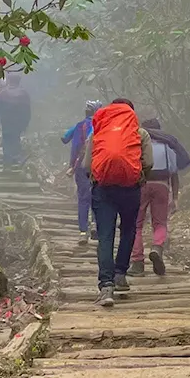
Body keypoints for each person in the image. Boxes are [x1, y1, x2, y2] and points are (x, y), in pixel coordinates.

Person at [80, 98, 153, 307]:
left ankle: (106, 286)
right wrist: (138, 176)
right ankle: (121, 273)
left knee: (105, 236)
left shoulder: (98, 133)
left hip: (103, 190)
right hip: (131, 189)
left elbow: (87, 166)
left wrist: (97, 178)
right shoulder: (140, 133)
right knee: (129, 229)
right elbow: (149, 162)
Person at [130, 118, 186, 276]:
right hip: (162, 185)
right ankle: (157, 248)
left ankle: (137, 264)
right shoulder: (167, 145)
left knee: (136, 225)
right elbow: (174, 174)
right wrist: (175, 198)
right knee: (160, 223)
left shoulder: (138, 143)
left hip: (140, 185)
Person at [62, 100, 102, 246]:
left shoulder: (79, 126)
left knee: (83, 198)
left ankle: (83, 232)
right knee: (97, 196)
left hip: (80, 166)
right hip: (98, 166)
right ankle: (95, 225)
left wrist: (72, 164)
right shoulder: (101, 126)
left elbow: (65, 138)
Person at [0, 75, 31, 168]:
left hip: (6, 121)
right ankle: (15, 159)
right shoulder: (24, 93)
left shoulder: (3, 93)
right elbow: (27, 110)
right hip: (19, 121)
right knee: (16, 139)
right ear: (19, 81)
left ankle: (7, 162)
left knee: (6, 140)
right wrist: (26, 122)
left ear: (9, 81)